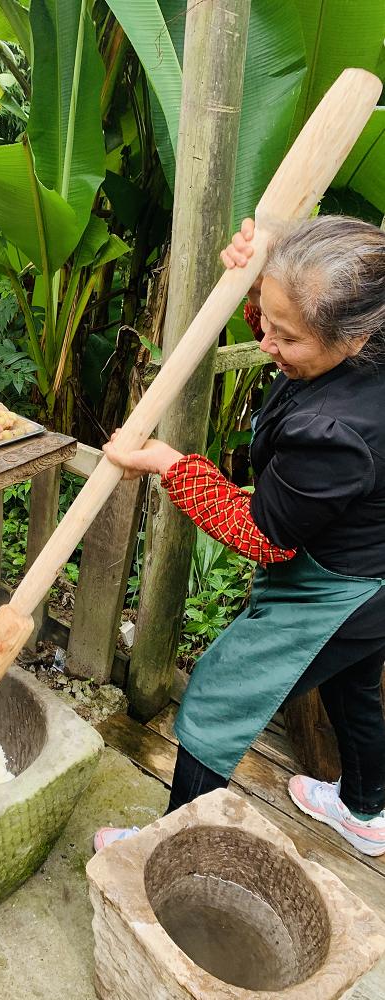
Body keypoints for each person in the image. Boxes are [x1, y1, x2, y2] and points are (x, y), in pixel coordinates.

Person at [94, 215, 385, 858]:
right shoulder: (368, 326)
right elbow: (295, 312)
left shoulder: (337, 433)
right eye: (265, 320)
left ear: (354, 336)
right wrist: (263, 259)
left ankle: (178, 849)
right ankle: (367, 812)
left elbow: (262, 534)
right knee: (353, 684)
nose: (266, 342)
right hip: (371, 563)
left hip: (341, 588)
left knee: (217, 697)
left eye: (285, 336)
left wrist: (170, 466)